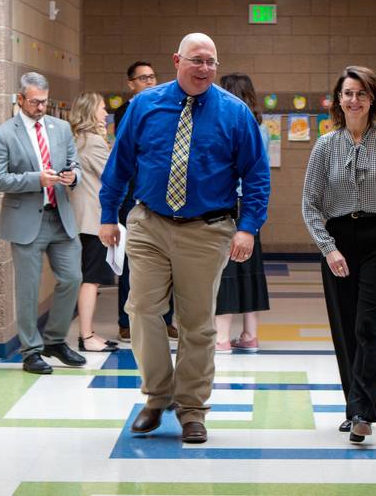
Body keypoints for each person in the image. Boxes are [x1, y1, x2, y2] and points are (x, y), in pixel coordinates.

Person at [98, 33, 270, 444]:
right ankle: (157, 396)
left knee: (197, 325)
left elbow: (257, 175)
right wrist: (108, 215)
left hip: (207, 230)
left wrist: (247, 227)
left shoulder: (235, 113)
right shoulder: (144, 105)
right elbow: (119, 164)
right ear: (177, 60)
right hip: (149, 223)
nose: (205, 69)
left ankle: (192, 408)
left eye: (211, 62)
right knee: (141, 309)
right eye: (197, 60)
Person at [302, 66, 376, 444]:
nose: (354, 100)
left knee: (369, 325)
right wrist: (328, 248)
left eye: (361, 93)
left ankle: (363, 412)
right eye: (348, 93)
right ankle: (354, 406)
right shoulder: (324, 146)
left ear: (373, 99)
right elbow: (310, 204)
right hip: (339, 240)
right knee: (346, 327)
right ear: (338, 100)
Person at [0, 72, 86, 374]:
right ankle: (30, 351)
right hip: (26, 221)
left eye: (44, 101)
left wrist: (73, 176)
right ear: (20, 99)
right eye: (34, 102)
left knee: (72, 278)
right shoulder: (4, 133)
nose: (41, 107)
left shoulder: (62, 128)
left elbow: (75, 164)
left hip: (61, 218)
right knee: (28, 290)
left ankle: (55, 340)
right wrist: (35, 179)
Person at [113, 61, 178, 343]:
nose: (150, 82)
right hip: (133, 195)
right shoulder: (125, 111)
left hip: (163, 194)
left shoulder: (166, 107)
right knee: (132, 261)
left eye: (153, 77)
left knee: (168, 259)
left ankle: (166, 320)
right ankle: (126, 322)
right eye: (143, 78)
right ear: (131, 83)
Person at [214, 73, 271, 354]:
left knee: (224, 269)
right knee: (250, 269)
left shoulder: (226, 124)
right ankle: (250, 335)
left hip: (227, 203)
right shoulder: (262, 127)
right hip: (252, 206)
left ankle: (221, 337)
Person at [68, 92, 118, 353]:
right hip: (93, 220)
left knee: (89, 277)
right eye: (101, 107)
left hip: (82, 220)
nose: (105, 112)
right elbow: (111, 175)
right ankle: (86, 336)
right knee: (92, 279)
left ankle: (87, 333)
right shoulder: (93, 142)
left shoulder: (77, 139)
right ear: (90, 111)